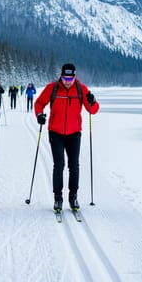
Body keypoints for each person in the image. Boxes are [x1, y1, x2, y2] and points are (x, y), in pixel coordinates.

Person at [33, 63, 99, 212]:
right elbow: (39, 103)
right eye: (65, 77)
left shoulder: (81, 89)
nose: (67, 81)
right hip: (55, 133)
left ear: (75, 76)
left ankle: (73, 195)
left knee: (74, 165)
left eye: (70, 78)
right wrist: (39, 115)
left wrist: (92, 101)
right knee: (59, 165)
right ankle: (58, 197)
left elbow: (93, 110)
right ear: (61, 76)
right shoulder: (52, 88)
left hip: (74, 133)